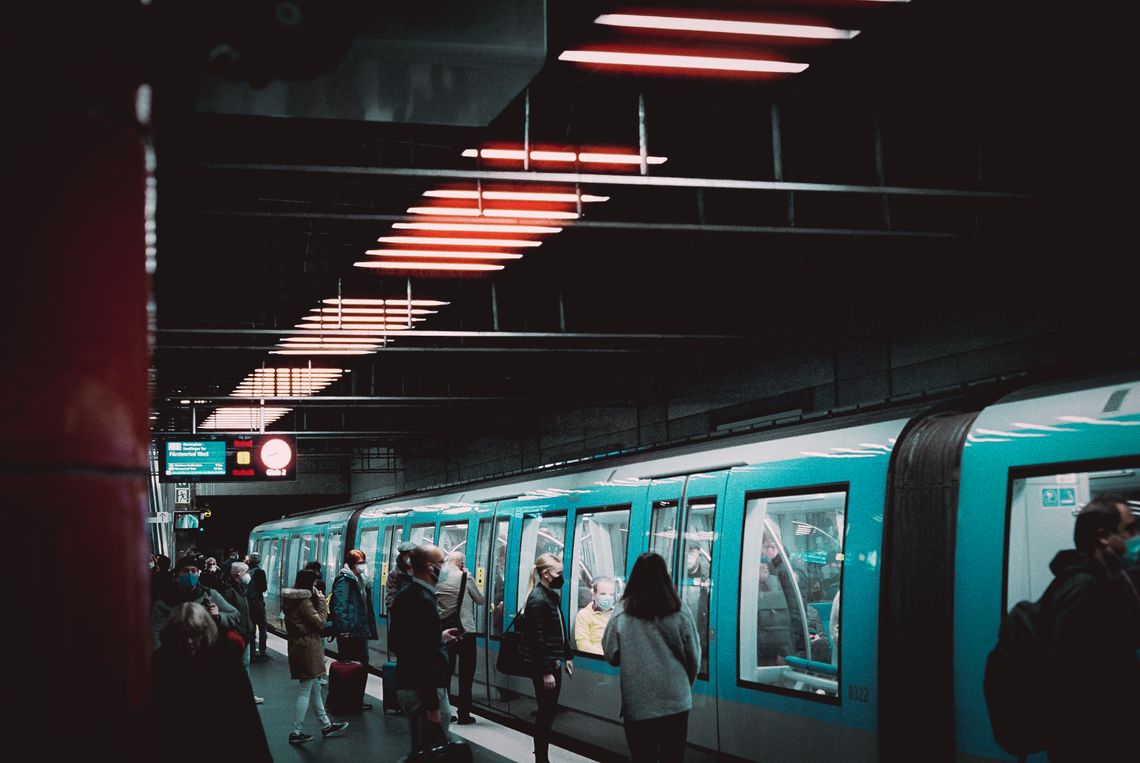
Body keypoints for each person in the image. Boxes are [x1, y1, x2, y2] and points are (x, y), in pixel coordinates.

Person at [1041, 494, 1140, 761]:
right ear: (1103, 537)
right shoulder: (1083, 589)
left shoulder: (1104, 584)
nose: (1136, 536)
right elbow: (1067, 682)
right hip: (1091, 745)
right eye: (1129, 529)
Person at [602, 552, 700, 763]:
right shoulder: (681, 611)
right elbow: (694, 658)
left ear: (634, 578)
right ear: (665, 576)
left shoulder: (621, 613)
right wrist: (684, 686)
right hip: (676, 701)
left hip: (638, 704)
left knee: (642, 758)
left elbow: (611, 654)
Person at [152, 602, 272, 762]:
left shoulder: (224, 658)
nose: (188, 641)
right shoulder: (224, 657)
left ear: (205, 632)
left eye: (194, 634)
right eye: (182, 635)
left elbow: (245, 712)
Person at [389, 544, 461, 758]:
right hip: (425, 691)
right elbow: (424, 656)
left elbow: (400, 642)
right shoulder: (424, 600)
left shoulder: (405, 595)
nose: (444, 568)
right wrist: (432, 705)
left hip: (409, 683)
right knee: (432, 752)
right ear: (430, 568)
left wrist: (438, 638)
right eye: (442, 563)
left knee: (421, 749)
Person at [282, 568, 349, 745]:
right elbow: (320, 622)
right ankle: (295, 732)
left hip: (301, 645)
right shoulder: (303, 602)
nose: (315, 588)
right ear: (308, 584)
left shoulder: (292, 599)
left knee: (315, 689)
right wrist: (321, 601)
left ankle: (326, 725)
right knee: (305, 690)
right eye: (313, 584)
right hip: (307, 647)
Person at [523, 553, 574, 763]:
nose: (561, 577)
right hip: (546, 666)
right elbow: (538, 639)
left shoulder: (548, 596)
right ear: (546, 574)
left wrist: (567, 655)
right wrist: (546, 671)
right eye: (558, 573)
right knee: (545, 713)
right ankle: (541, 758)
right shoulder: (537, 599)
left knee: (548, 711)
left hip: (553, 662)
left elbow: (558, 629)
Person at [436, 550, 485, 724]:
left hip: (445, 631)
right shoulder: (465, 577)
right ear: (462, 563)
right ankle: (464, 714)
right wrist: (470, 577)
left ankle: (446, 711)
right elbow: (480, 599)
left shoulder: (438, 579)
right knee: (466, 674)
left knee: (446, 673)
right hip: (465, 631)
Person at [151, 555, 240, 650]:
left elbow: (235, 615)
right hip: (176, 654)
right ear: (177, 575)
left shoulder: (210, 595)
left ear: (198, 574)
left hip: (205, 653)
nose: (190, 574)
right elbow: (156, 631)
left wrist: (219, 616)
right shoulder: (166, 600)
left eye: (193, 571)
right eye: (185, 571)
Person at [331, 548, 378, 710]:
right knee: (350, 665)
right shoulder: (344, 580)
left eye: (364, 563)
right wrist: (344, 629)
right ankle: (347, 700)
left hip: (360, 629)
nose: (363, 566)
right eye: (360, 563)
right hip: (350, 631)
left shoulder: (361, 579)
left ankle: (356, 699)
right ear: (352, 564)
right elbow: (340, 605)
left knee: (362, 664)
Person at [221, 560, 264, 704]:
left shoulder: (240, 589)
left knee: (244, 665)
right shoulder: (229, 591)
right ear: (239, 573)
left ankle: (246, 694)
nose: (247, 575)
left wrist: (250, 627)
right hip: (236, 636)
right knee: (238, 666)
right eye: (245, 572)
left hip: (244, 634)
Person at [573, 576, 615, 654]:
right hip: (598, 660)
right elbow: (583, 645)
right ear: (593, 595)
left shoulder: (617, 614)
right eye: (603, 594)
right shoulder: (584, 615)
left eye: (611, 595)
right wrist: (607, 656)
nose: (608, 597)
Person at [246, 552, 270, 659]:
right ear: (259, 561)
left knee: (251, 628)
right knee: (262, 627)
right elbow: (264, 588)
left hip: (248, 603)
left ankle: (251, 651)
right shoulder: (260, 572)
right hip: (258, 603)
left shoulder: (245, 571)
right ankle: (262, 651)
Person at [386, 540, 418, 612]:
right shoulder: (394, 574)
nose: (411, 558)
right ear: (403, 556)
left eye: (413, 555)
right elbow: (390, 599)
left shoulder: (419, 570)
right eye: (409, 555)